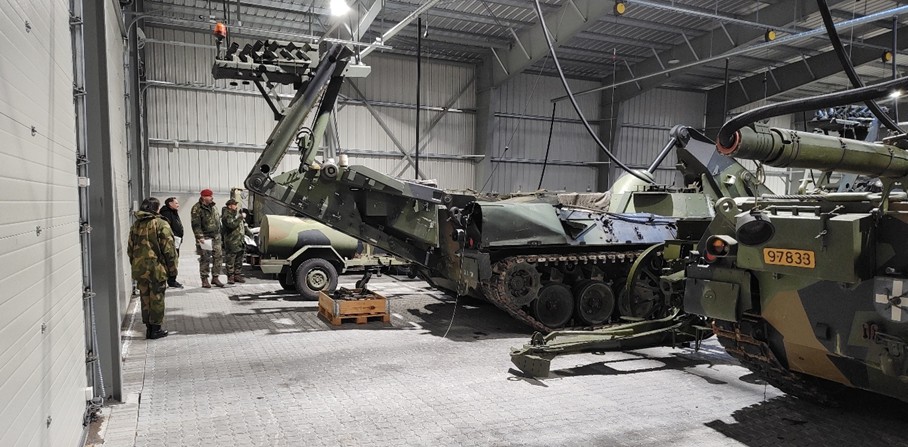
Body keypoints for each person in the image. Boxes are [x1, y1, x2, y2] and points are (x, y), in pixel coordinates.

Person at [127, 197, 178, 340]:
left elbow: (130, 248)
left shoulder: (136, 225)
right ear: (156, 208)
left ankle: (148, 328)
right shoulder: (161, 224)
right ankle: (156, 329)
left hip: (140, 268)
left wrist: (135, 264)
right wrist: (173, 271)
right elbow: (169, 250)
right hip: (157, 269)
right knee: (157, 298)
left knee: (145, 298)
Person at [191, 189, 225, 288]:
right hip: (205, 237)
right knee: (205, 258)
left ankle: (215, 277)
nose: (211, 198)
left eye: (211, 196)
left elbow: (217, 220)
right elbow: (195, 224)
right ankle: (204, 279)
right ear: (203, 197)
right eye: (209, 196)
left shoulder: (213, 206)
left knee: (218, 257)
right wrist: (199, 236)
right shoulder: (197, 208)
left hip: (216, 236)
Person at [221, 199, 253, 284]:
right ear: (229, 206)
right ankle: (230, 276)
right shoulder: (227, 215)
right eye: (234, 205)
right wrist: (240, 218)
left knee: (239, 260)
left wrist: (248, 232)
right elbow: (231, 225)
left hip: (239, 241)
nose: (236, 206)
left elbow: (242, 226)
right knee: (231, 260)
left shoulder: (237, 214)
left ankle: (237, 275)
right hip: (231, 241)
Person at [158, 197, 184, 288]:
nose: (178, 205)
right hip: (171, 241)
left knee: (174, 260)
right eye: (176, 203)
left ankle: (172, 279)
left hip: (176, 240)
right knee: (171, 260)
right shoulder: (166, 213)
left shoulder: (173, 212)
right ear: (170, 204)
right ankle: (171, 280)